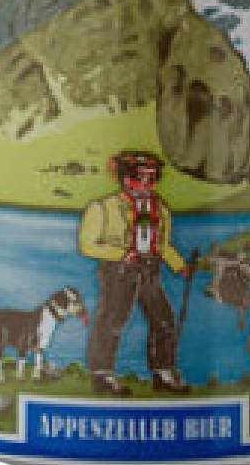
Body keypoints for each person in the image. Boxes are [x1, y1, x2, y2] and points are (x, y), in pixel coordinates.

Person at [79, 150, 191, 396]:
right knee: (112, 320)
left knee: (163, 319)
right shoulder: (103, 208)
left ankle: (163, 371)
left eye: (152, 178)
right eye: (141, 178)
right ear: (125, 179)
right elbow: (87, 245)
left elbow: (162, 245)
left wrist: (180, 265)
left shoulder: (160, 209)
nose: (147, 183)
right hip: (119, 271)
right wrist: (122, 254)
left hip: (150, 269)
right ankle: (102, 375)